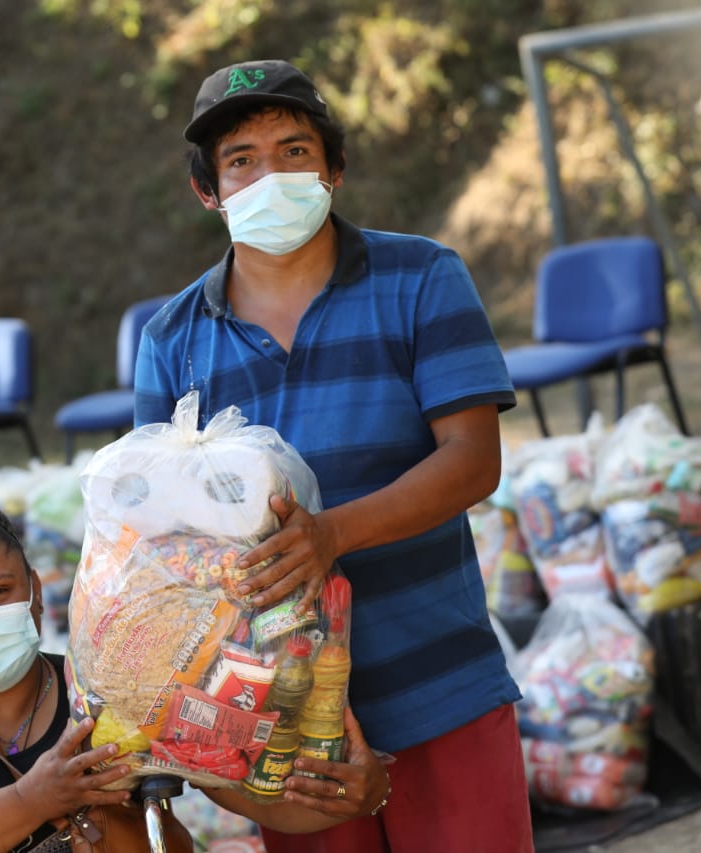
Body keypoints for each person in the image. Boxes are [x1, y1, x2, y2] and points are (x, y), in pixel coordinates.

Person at [134, 60, 532, 852]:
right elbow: (161, 545)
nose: (270, 173)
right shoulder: (172, 342)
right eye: (241, 159)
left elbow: (472, 461)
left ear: (334, 169)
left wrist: (331, 535)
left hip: (439, 685)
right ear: (207, 190)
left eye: (294, 150)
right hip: (281, 722)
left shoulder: (421, 278)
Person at [0, 487, 389, 853]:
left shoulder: (110, 691)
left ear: (34, 595)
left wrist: (362, 794)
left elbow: (256, 794)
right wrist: (35, 801)